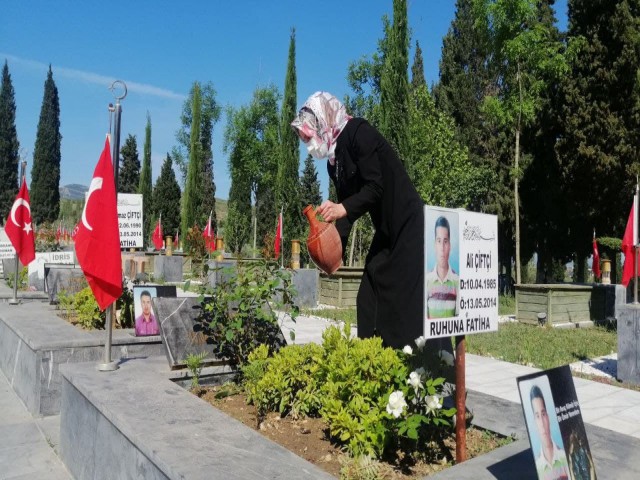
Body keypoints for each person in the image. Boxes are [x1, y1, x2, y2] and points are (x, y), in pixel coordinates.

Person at [291, 91, 452, 353]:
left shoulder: (358, 133)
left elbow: (375, 187)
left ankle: (429, 366)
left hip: (411, 225)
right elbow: (348, 211)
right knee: (369, 296)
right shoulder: (334, 164)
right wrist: (332, 248)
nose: (309, 145)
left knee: (409, 301)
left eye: (309, 136)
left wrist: (342, 207)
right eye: (304, 139)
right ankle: (373, 361)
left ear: (323, 120)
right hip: (386, 230)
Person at [530, 385, 570, 480]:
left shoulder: (565, 457)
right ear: (534, 422)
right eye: (537, 416)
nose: (542, 423)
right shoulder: (537, 466)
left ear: (548, 417)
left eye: (543, 414)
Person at [426, 216, 459, 319]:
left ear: (449, 245)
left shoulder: (457, 281)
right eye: (439, 241)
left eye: (445, 241)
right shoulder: (427, 280)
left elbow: (459, 322)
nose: (442, 248)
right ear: (434, 245)